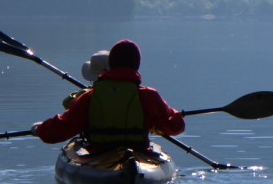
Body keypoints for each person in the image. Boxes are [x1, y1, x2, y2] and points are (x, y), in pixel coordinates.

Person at [32, 39, 185, 151]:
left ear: (112, 64)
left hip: (99, 152)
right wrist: (175, 115)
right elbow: (175, 127)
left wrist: (40, 129)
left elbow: (61, 129)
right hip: (138, 151)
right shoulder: (149, 96)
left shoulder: (89, 97)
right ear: (136, 64)